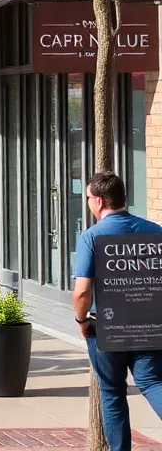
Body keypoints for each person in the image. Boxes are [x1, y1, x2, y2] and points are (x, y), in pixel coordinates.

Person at [73, 171, 162, 451]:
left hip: (107, 328)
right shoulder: (155, 232)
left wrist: (81, 319)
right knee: (151, 382)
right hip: (150, 324)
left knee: (112, 392)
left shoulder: (92, 237)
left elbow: (83, 291)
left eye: (87, 198)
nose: (87, 202)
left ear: (98, 201)